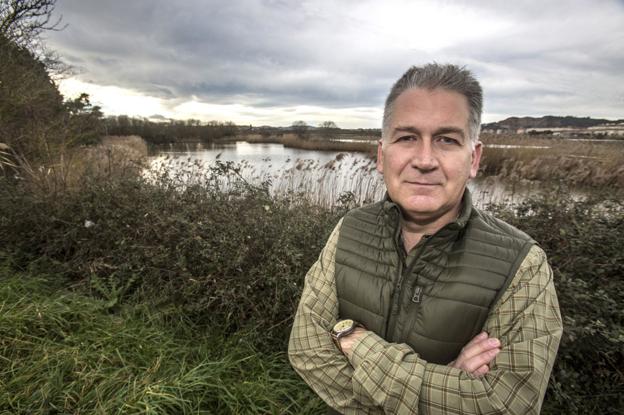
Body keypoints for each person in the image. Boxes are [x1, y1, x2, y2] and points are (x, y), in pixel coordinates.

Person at [288, 63, 562, 414]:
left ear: (474, 158)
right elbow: (306, 351)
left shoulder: (522, 263)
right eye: (407, 138)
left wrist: (355, 342)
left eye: (447, 140)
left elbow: (507, 404)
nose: (425, 160)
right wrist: (446, 385)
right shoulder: (350, 229)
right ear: (382, 155)